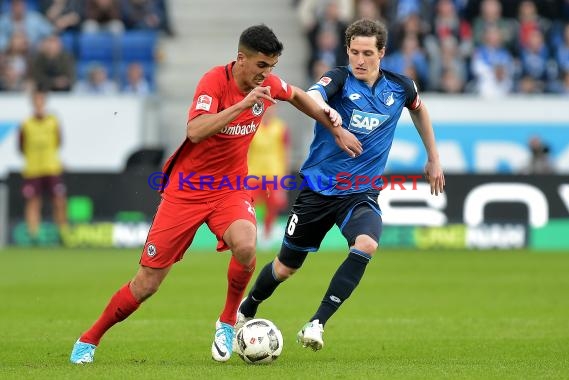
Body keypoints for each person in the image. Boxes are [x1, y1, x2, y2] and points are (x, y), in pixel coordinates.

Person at [69, 24, 362, 364]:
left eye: (272, 67)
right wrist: (243, 105)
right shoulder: (214, 82)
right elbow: (195, 131)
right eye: (262, 66)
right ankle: (89, 339)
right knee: (146, 284)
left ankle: (226, 321)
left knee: (247, 245)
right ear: (241, 59)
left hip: (230, 188)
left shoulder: (266, 84)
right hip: (187, 191)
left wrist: (334, 127)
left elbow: (297, 95)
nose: (267, 74)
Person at [236, 19, 446, 351]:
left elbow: (419, 110)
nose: (359, 60)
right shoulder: (338, 79)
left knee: (366, 244)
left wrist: (433, 156)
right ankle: (247, 308)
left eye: (367, 53)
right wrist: (330, 117)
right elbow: (314, 95)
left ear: (382, 53)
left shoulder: (401, 87)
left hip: (361, 192)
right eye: (354, 52)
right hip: (318, 190)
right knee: (285, 267)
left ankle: (317, 323)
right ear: (347, 51)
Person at [19, 88, 68, 243]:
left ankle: (62, 233)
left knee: (59, 200)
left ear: (44, 102)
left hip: (51, 167)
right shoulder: (26, 123)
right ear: (33, 103)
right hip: (33, 169)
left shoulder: (53, 121)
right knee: (33, 202)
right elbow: (21, 146)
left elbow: (59, 141)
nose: (39, 103)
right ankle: (34, 235)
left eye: (41, 100)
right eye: (36, 100)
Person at [247, 105, 290, 244]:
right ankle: (251, 231)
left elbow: (285, 152)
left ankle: (267, 234)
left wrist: (286, 175)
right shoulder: (252, 126)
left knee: (273, 205)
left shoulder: (281, 128)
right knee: (249, 205)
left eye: (271, 109)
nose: (268, 112)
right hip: (253, 173)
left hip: (274, 173)